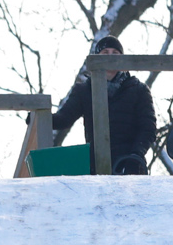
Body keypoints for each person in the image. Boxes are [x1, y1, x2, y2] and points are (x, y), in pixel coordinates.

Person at [52, 34, 155, 174]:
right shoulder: (84, 90)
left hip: (130, 165)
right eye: (105, 53)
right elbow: (64, 119)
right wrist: (41, 118)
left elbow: (148, 128)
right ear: (97, 58)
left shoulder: (139, 90)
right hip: (96, 167)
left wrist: (136, 155)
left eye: (115, 53)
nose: (110, 57)